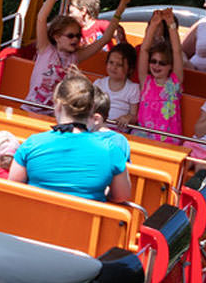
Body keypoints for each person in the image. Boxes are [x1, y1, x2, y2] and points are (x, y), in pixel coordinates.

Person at [9, 74, 131, 203]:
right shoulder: (111, 151)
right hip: (86, 222)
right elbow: (121, 196)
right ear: (91, 110)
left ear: (59, 106)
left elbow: (13, 187)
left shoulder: (31, 144)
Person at [24, 0, 130, 112]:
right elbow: (41, 18)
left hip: (55, 113)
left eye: (78, 36)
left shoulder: (75, 57)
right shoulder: (46, 49)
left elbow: (105, 39)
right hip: (32, 108)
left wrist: (120, 9)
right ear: (57, 36)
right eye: (70, 36)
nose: (75, 39)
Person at [136, 8, 184, 144]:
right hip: (143, 136)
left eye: (162, 63)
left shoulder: (174, 82)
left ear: (170, 66)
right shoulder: (146, 81)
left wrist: (171, 25)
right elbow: (144, 50)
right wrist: (153, 25)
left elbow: (177, 51)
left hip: (168, 139)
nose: (156, 66)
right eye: (153, 61)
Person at [92, 43, 139, 130]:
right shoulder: (98, 84)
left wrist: (128, 118)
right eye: (111, 62)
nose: (114, 67)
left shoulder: (133, 88)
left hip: (120, 132)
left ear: (130, 69)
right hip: (97, 128)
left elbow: (134, 116)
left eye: (119, 65)